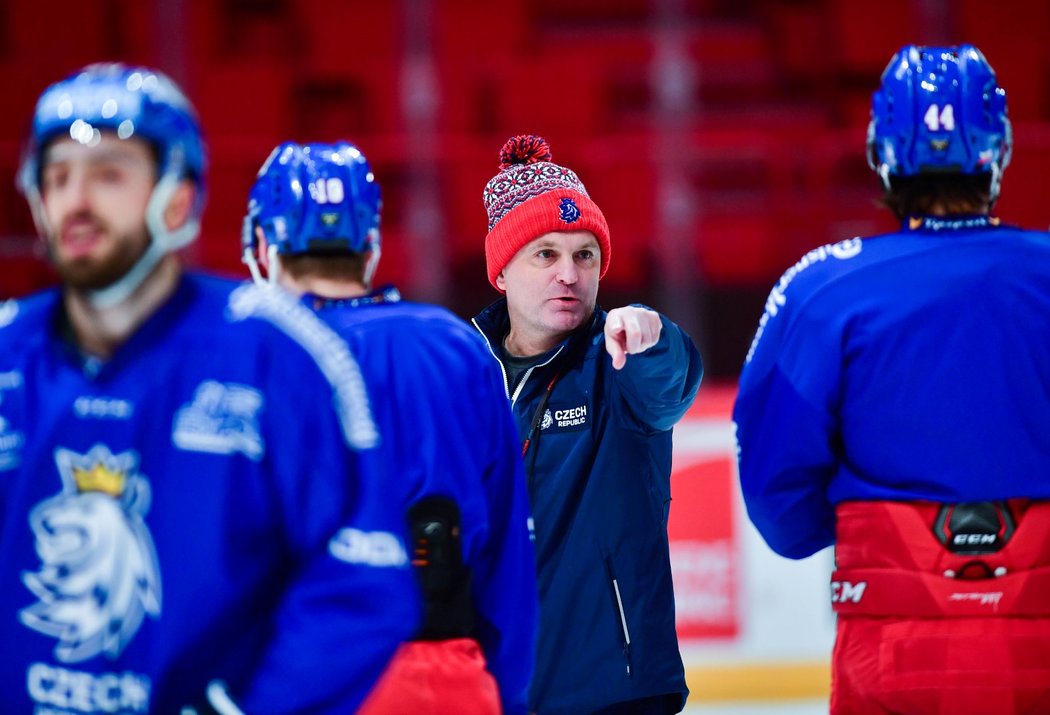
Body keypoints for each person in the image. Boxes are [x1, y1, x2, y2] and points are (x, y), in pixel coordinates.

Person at [0, 63, 419, 714]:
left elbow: (362, 573)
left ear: (176, 197)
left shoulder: (276, 354)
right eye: (58, 177)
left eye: (108, 174)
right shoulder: (6, 356)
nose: (76, 199)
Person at [733, 44, 1050, 715]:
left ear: (883, 149)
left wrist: (871, 531)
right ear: (999, 148)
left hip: (893, 649)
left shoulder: (823, 289)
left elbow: (776, 498)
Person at [242, 141, 538, 715]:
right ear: (369, 241)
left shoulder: (245, 352)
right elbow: (508, 551)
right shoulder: (454, 346)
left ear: (263, 243)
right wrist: (508, 693)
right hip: (447, 683)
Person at [471, 134, 703, 715]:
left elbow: (669, 385)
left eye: (585, 255)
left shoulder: (617, 360)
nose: (569, 274)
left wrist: (652, 339)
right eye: (545, 254)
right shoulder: (463, 371)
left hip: (615, 692)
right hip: (491, 690)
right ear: (502, 270)